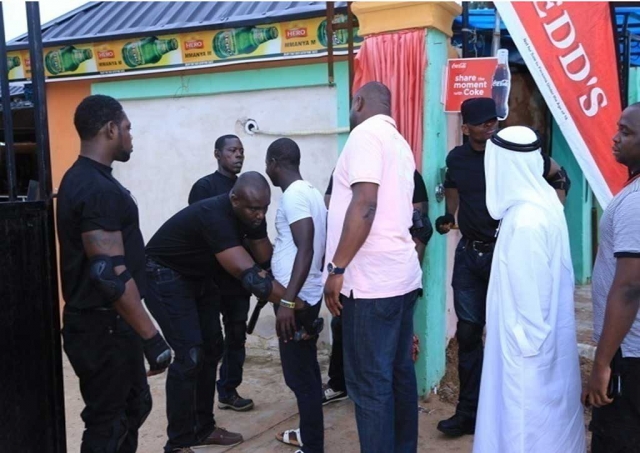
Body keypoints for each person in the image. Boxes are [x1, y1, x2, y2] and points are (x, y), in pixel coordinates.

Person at [436, 97, 571, 437]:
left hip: (507, 254)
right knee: (468, 334)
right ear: (465, 128)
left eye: (493, 120)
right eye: (482, 122)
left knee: (507, 334)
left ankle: (502, 411)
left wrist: (552, 211)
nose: (490, 126)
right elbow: (453, 186)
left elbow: (559, 175)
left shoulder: (513, 152)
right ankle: (469, 412)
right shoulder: (457, 159)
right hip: (470, 255)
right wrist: (449, 214)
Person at [144, 172, 307, 453]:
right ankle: (178, 443)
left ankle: (203, 428)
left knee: (212, 349)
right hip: (162, 273)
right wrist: (296, 303)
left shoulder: (252, 216)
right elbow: (252, 277)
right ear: (234, 199)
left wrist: (290, 291)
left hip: (199, 276)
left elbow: (265, 262)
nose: (260, 215)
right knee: (190, 355)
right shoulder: (214, 215)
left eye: (264, 208)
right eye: (253, 209)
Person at [57, 94, 172, 453]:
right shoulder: (95, 188)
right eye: (127, 128)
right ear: (110, 129)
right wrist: (152, 337)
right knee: (109, 423)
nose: (130, 136)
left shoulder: (88, 179)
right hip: (101, 327)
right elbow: (109, 274)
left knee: (133, 406)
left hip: (108, 325)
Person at [473, 126, 586, 452]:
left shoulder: (526, 221)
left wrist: (521, 344)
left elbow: (532, 298)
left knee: (523, 427)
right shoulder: (544, 203)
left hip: (526, 352)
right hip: (538, 345)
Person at [324, 81, 422, 453]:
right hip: (400, 278)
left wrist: (337, 268)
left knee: (370, 385)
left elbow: (365, 204)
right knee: (398, 375)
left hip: (370, 285)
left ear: (359, 102)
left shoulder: (365, 136)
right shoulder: (399, 143)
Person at [321, 170, 432, 405]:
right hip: (351, 275)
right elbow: (331, 215)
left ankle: (379, 399)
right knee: (341, 328)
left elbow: (421, 229)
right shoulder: (346, 170)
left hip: (389, 280)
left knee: (382, 363)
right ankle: (339, 384)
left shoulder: (407, 173)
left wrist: (412, 277)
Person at [583, 103, 640, 452]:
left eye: (627, 132)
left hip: (631, 353)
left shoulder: (636, 203)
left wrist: (602, 363)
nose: (615, 138)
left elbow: (630, 287)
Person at [265, 138, 327, 453]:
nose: (267, 171)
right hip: (305, 293)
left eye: (267, 164)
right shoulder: (311, 192)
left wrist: (287, 301)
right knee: (307, 372)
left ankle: (313, 446)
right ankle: (309, 435)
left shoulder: (294, 196)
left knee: (299, 378)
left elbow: (306, 247)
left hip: (297, 300)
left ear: (275, 162)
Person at [188, 134, 254, 412]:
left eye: (241, 151)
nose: (238, 155)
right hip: (210, 278)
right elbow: (199, 231)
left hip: (237, 278)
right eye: (232, 150)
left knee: (237, 334)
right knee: (209, 339)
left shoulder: (246, 189)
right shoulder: (204, 187)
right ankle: (199, 402)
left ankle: (228, 390)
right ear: (217, 154)